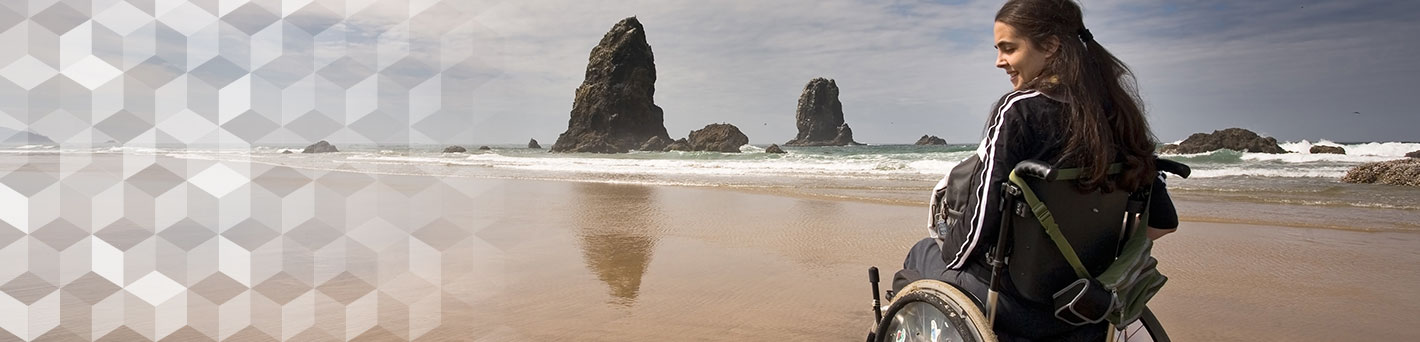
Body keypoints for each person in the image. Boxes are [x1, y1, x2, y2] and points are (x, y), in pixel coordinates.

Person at [895, 0, 1179, 340]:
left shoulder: (1019, 110)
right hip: (1084, 305)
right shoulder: (1120, 111)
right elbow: (1162, 223)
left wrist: (948, 248)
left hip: (1012, 305)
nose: (999, 61)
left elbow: (973, 237)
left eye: (1009, 49)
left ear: (1050, 45)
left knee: (922, 253)